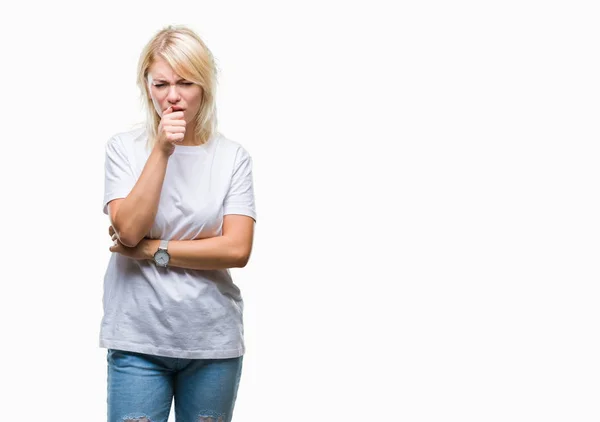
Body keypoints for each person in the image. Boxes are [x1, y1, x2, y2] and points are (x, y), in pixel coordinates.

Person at [100, 24, 256, 422]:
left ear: (204, 86)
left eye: (185, 82)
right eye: (161, 83)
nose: (172, 95)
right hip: (137, 339)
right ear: (146, 86)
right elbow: (130, 230)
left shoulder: (232, 157)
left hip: (211, 344)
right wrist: (163, 149)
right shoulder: (124, 149)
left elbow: (236, 249)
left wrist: (155, 249)